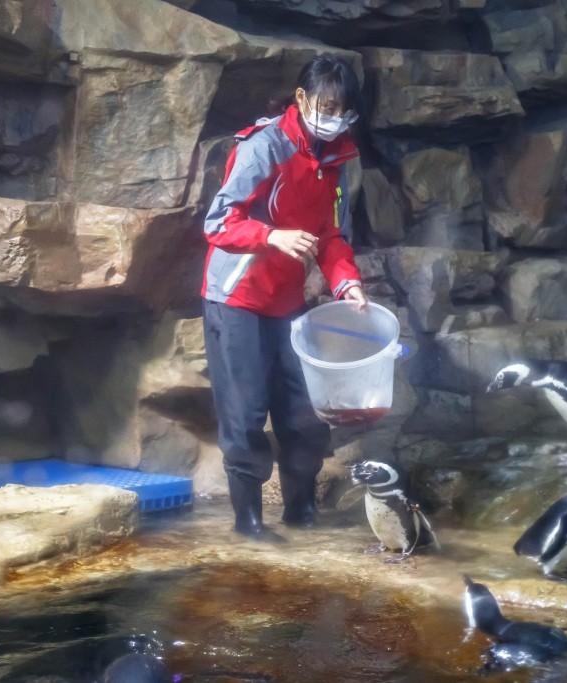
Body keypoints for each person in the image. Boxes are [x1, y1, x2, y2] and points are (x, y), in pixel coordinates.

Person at [201, 54, 368, 542]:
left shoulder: (335, 159)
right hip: (237, 298)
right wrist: (271, 237)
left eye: (344, 110)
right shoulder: (264, 147)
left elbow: (332, 236)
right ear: (302, 99)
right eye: (327, 106)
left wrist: (347, 282)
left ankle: (300, 509)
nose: (335, 118)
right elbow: (218, 222)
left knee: (303, 410)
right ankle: (249, 520)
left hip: (287, 301)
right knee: (247, 410)